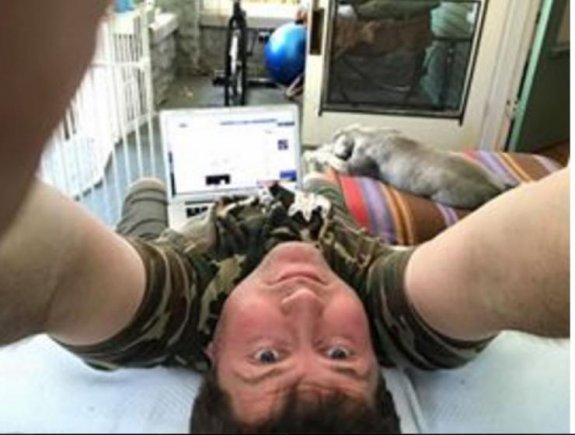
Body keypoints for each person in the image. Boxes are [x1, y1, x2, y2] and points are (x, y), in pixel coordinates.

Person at [0, 1, 569, 433]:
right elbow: (504, 267)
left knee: (146, 191)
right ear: (378, 362)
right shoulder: (395, 319)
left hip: (191, 247)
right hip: (324, 228)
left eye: (267, 357)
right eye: (340, 355)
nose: (303, 303)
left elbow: (38, 269)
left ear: (210, 361)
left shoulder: (165, 315)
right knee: (319, 189)